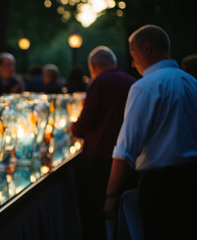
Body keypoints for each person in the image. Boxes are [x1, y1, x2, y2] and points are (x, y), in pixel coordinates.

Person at [104, 25, 197, 239]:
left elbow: (125, 148)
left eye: (133, 54)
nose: (133, 62)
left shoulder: (145, 86)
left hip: (161, 187)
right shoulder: (192, 83)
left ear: (147, 49)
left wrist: (111, 194)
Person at [71, 46, 137, 240]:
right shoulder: (132, 82)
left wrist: (73, 127)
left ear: (92, 66)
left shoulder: (100, 82)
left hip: (98, 159)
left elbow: (85, 125)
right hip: (127, 160)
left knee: (94, 216)